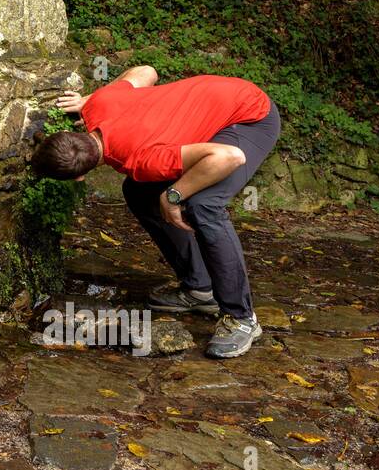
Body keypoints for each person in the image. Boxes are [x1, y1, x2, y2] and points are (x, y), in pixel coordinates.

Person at [30, 66, 280, 358]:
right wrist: (90, 98)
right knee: (138, 191)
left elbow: (229, 157)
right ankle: (200, 289)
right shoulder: (100, 104)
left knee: (204, 207)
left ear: (79, 178)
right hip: (220, 100)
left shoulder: (144, 159)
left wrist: (174, 196)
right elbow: (145, 72)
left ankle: (241, 318)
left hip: (249, 117)